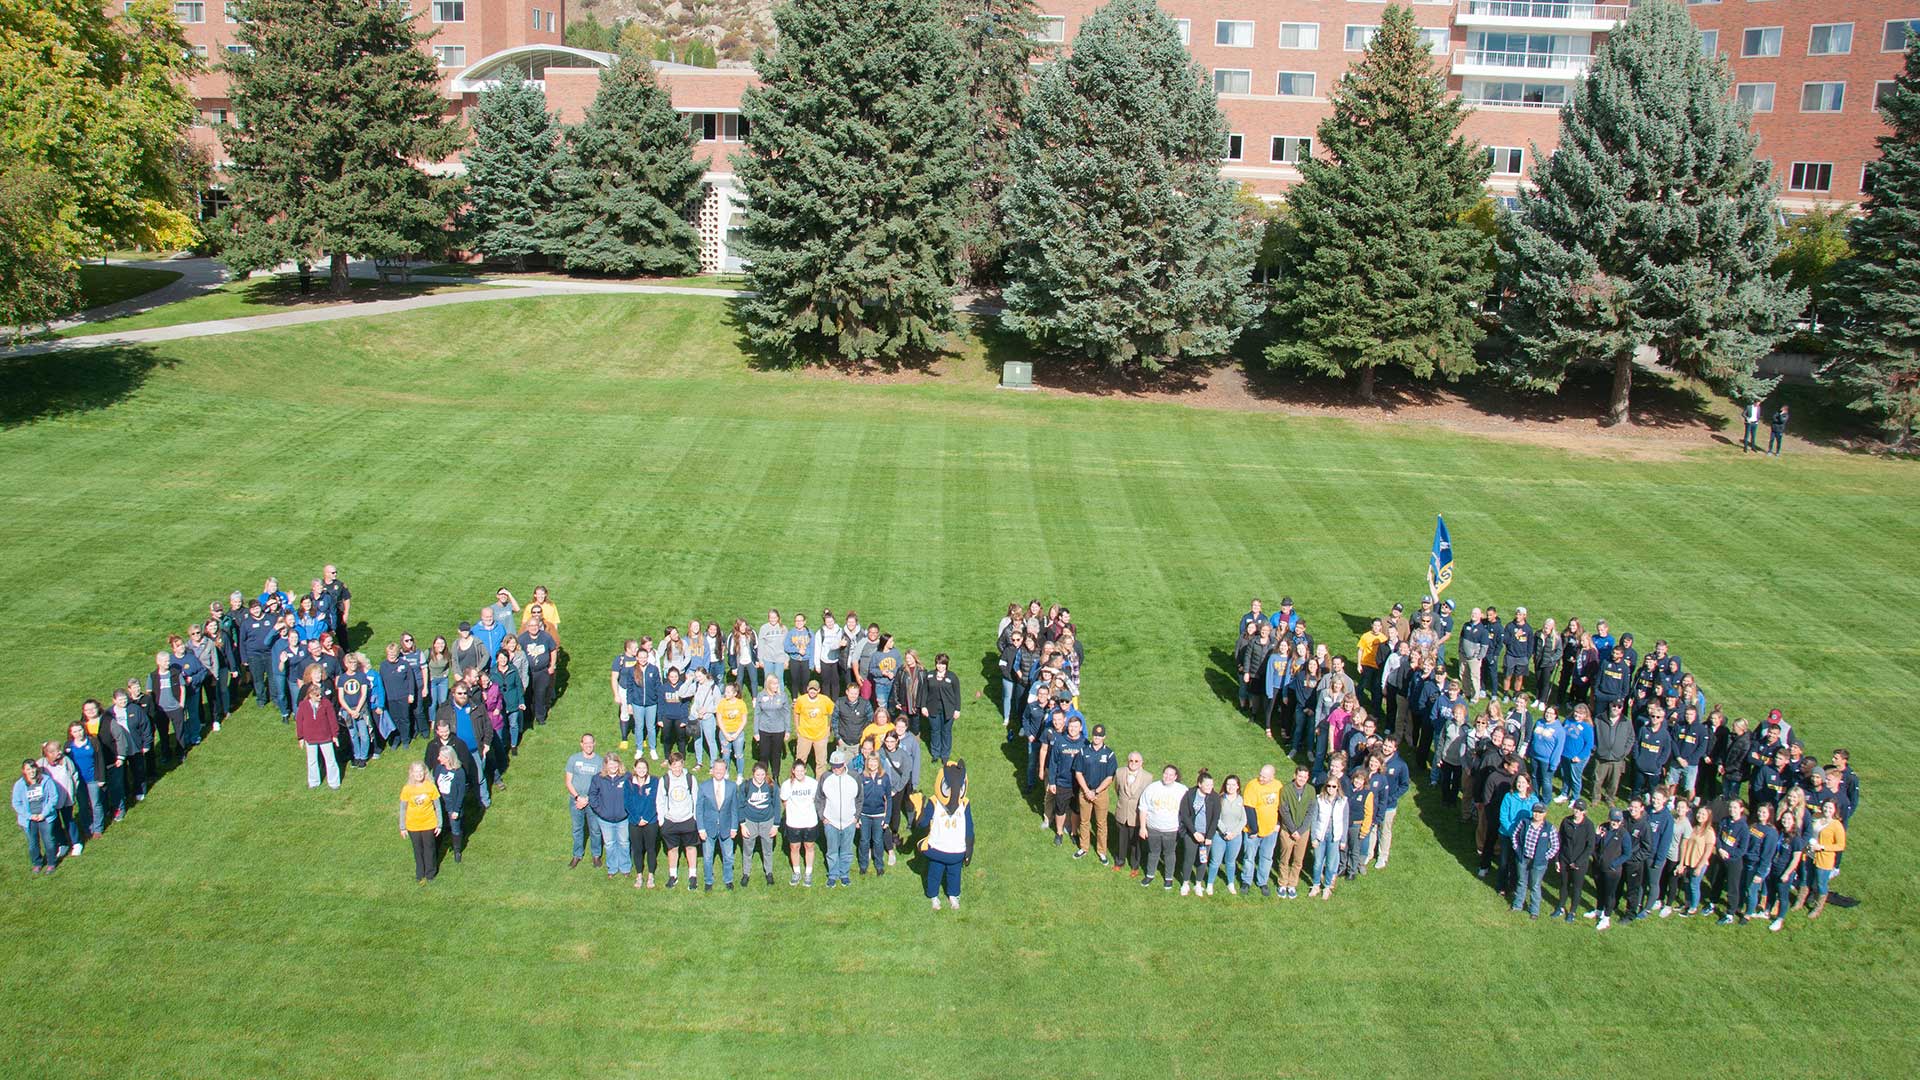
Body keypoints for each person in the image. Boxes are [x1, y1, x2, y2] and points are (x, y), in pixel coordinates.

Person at [914, 760, 974, 911]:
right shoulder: (934, 802)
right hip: (938, 847)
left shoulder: (965, 804)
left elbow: (969, 828)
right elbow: (923, 823)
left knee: (954, 875)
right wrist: (919, 809)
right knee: (935, 873)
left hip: (957, 849)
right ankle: (934, 896)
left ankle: (953, 896)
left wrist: (969, 850)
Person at [1072, 724, 1117, 863]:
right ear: (1092, 735)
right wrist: (1086, 790)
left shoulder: (1109, 754)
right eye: (1095, 735)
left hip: (1101, 793)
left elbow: (1110, 777)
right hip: (1085, 792)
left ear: (1104, 737)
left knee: (1101, 823)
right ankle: (1084, 848)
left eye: (1100, 735)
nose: (1097, 738)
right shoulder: (1083, 751)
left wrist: (1095, 791)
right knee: (1084, 822)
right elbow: (1078, 772)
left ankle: (1102, 851)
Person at [1138, 765, 1185, 891]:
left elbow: (1187, 810)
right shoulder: (1153, 787)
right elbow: (1143, 808)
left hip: (1171, 830)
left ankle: (1168, 878)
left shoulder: (1182, 790)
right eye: (1166, 773)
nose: (1167, 777)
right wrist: (1142, 827)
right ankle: (1150, 875)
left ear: (1175, 777)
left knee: (1169, 853)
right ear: (1162, 774)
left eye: (1171, 775)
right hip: (1153, 828)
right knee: (1153, 853)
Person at [657, 751, 701, 889]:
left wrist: (695, 817)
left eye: (679, 765)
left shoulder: (690, 778)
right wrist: (661, 820)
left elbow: (696, 798)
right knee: (672, 849)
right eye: (674, 766)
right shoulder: (664, 780)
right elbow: (660, 801)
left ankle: (693, 876)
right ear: (669, 766)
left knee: (691, 847)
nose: (677, 769)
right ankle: (673, 875)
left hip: (688, 819)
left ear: (683, 765)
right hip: (670, 821)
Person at [694, 759, 739, 891]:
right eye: (716, 769)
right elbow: (699, 809)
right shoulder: (704, 786)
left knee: (729, 856)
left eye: (722, 769)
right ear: (712, 770)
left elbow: (734, 809)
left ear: (725, 771)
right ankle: (708, 881)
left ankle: (728, 880)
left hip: (726, 826)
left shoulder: (731, 786)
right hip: (708, 828)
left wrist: (734, 827)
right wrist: (701, 828)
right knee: (708, 857)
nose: (719, 771)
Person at [1510, 802, 1559, 918]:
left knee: (1535, 885)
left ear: (1545, 814)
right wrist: (1517, 849)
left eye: (1540, 812)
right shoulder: (1524, 822)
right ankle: (1517, 905)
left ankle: (1534, 911)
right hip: (1523, 858)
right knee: (1521, 882)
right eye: (1535, 811)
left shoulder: (1549, 828)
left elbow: (1555, 846)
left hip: (1539, 863)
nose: (1537, 814)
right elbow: (1514, 836)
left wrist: (1545, 857)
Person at [819, 750, 859, 888]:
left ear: (844, 764)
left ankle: (844, 874)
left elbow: (860, 798)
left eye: (839, 766)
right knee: (832, 851)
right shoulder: (825, 777)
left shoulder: (854, 777)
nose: (836, 769)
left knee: (847, 851)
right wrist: (822, 816)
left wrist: (856, 816)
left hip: (849, 822)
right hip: (831, 822)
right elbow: (819, 798)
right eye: (833, 766)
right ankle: (832, 875)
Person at [564, 734, 605, 869]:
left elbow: (601, 784)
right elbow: (568, 782)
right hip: (576, 800)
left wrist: (588, 799)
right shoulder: (573, 759)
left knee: (595, 829)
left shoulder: (599, 761)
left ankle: (596, 855)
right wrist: (577, 798)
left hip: (592, 801)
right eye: (585, 743)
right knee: (577, 828)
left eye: (591, 743)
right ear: (581, 744)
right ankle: (577, 855)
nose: (588, 745)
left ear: (594, 743)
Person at [1550, 800, 1595, 921]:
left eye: (1580, 810)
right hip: (1564, 859)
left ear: (1584, 811)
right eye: (1576, 808)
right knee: (1564, 885)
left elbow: (1590, 846)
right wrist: (1557, 859)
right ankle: (1560, 907)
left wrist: (1578, 862)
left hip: (1579, 863)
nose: (1577, 811)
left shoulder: (1589, 825)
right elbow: (1559, 841)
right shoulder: (1566, 821)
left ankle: (1572, 911)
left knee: (1577, 887)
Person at [590, 755, 632, 879]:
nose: (613, 767)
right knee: (609, 844)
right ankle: (612, 867)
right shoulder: (598, 778)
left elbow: (633, 794)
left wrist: (627, 810)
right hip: (605, 819)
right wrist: (600, 811)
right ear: (606, 765)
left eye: (615, 764)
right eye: (610, 764)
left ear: (619, 764)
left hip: (623, 818)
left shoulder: (627, 777)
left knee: (624, 843)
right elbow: (592, 796)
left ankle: (625, 867)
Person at [738, 762, 779, 887]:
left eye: (762, 774)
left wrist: (775, 825)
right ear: (753, 774)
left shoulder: (772, 786)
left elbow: (777, 806)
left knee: (767, 849)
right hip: (750, 821)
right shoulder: (745, 786)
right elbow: (740, 805)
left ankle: (769, 873)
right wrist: (742, 825)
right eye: (757, 774)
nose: (760, 777)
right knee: (747, 849)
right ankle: (746, 873)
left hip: (767, 821)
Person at [780, 761, 821, 886]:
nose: (799, 773)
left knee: (809, 846)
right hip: (793, 822)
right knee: (794, 847)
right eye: (797, 771)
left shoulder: (813, 783)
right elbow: (784, 800)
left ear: (805, 771)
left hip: (810, 821)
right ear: (793, 771)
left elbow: (816, 799)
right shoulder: (787, 785)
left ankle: (808, 872)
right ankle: (796, 872)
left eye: (802, 771)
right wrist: (793, 813)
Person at [399, 762, 441, 883]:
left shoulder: (431, 787)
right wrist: (402, 827)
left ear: (425, 772)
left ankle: (430, 873)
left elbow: (437, 806)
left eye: (421, 771)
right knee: (417, 849)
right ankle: (420, 872)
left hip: (429, 823)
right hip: (413, 825)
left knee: (429, 848)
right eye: (416, 772)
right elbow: (403, 808)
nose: (419, 774)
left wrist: (439, 824)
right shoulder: (407, 789)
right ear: (411, 774)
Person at [1306, 781, 1348, 899]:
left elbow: (1345, 821)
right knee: (1318, 862)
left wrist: (1343, 840)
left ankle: (1327, 887)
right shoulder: (1319, 799)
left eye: (1333, 786)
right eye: (1328, 786)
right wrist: (1313, 837)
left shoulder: (1343, 801)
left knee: (1330, 864)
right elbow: (1314, 819)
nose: (1330, 788)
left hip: (1334, 837)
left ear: (1337, 787)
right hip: (1320, 836)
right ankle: (1315, 885)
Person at [294, 684, 341, 790]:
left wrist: (335, 735)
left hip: (325, 736)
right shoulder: (303, 705)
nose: (320, 697)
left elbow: (332, 720)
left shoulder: (326, 703)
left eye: (320, 694)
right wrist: (300, 737)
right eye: (317, 695)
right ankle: (313, 782)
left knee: (330, 760)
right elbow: (299, 722)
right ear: (310, 695)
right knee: (312, 761)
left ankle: (334, 782)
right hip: (310, 738)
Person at [14, 760, 58, 875]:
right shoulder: (19, 784)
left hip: (45, 817)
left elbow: (53, 798)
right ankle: (37, 863)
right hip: (29, 819)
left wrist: (43, 814)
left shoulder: (46, 780)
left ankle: (51, 863)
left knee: (48, 841)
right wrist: (29, 816)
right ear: (24, 771)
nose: (31, 771)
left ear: (36, 769)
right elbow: (16, 803)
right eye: (28, 769)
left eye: (33, 768)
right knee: (33, 843)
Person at [624, 759, 661, 888]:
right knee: (637, 849)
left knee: (651, 849)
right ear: (634, 768)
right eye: (639, 767)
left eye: (644, 767)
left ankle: (651, 875)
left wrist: (645, 817)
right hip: (634, 822)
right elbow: (627, 802)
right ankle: (639, 875)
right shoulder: (628, 783)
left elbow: (654, 800)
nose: (641, 770)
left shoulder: (655, 781)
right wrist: (636, 819)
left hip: (650, 821)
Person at [1806, 800, 1845, 919]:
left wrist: (1822, 847)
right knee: (1809, 878)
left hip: (1824, 858)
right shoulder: (1816, 817)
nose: (1827, 810)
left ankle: (1818, 907)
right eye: (1825, 807)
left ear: (1835, 810)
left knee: (1821, 883)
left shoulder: (1836, 825)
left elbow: (1840, 845)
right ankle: (1810, 896)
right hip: (1810, 854)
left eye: (1830, 808)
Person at [1111, 751, 1148, 877]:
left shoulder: (1148, 777)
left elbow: (1147, 797)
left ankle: (1135, 865)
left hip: (1136, 815)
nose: (1133, 763)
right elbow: (1117, 789)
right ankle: (1119, 861)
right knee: (1121, 840)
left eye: (1136, 761)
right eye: (1131, 760)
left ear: (1141, 763)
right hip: (1122, 812)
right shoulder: (1120, 772)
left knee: (1135, 843)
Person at [518, 615, 559, 727]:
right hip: (527, 672)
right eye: (531, 626)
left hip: (542, 672)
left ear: (539, 626)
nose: (533, 628)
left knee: (540, 694)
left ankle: (540, 717)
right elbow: (517, 653)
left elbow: (553, 651)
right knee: (527, 694)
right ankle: (528, 718)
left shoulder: (546, 637)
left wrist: (552, 666)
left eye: (535, 625)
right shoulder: (522, 639)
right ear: (527, 627)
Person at [856, 754, 891, 876]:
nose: (872, 764)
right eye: (870, 762)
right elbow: (857, 799)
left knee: (877, 841)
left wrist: (887, 819)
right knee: (864, 840)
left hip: (879, 815)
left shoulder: (885, 777)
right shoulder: (861, 777)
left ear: (878, 763)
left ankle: (879, 865)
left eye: (874, 762)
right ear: (866, 763)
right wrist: (857, 817)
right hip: (864, 815)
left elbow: (889, 799)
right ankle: (863, 865)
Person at [431, 745, 467, 865]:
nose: (438, 758)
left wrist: (456, 810)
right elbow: (435, 784)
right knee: (439, 827)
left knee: (455, 829)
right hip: (441, 805)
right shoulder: (439, 768)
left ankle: (457, 850)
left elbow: (461, 792)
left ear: (448, 758)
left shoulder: (459, 772)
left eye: (441, 756)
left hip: (452, 807)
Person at [923, 654, 961, 762]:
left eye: (943, 664)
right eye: (939, 664)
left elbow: (957, 694)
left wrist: (957, 710)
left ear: (946, 665)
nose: (940, 666)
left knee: (946, 732)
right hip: (932, 709)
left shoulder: (952, 677)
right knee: (935, 731)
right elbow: (924, 692)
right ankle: (935, 753)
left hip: (948, 710)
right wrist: (923, 707)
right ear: (936, 664)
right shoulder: (929, 675)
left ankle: (945, 755)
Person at [793, 680, 833, 777]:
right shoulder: (801, 700)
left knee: (821, 762)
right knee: (800, 760)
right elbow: (796, 712)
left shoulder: (825, 700)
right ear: (807, 689)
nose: (812, 691)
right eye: (811, 689)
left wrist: (829, 728)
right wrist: (797, 727)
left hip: (821, 735)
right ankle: (798, 779)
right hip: (804, 735)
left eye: (815, 689)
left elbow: (833, 713)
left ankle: (820, 783)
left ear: (819, 690)